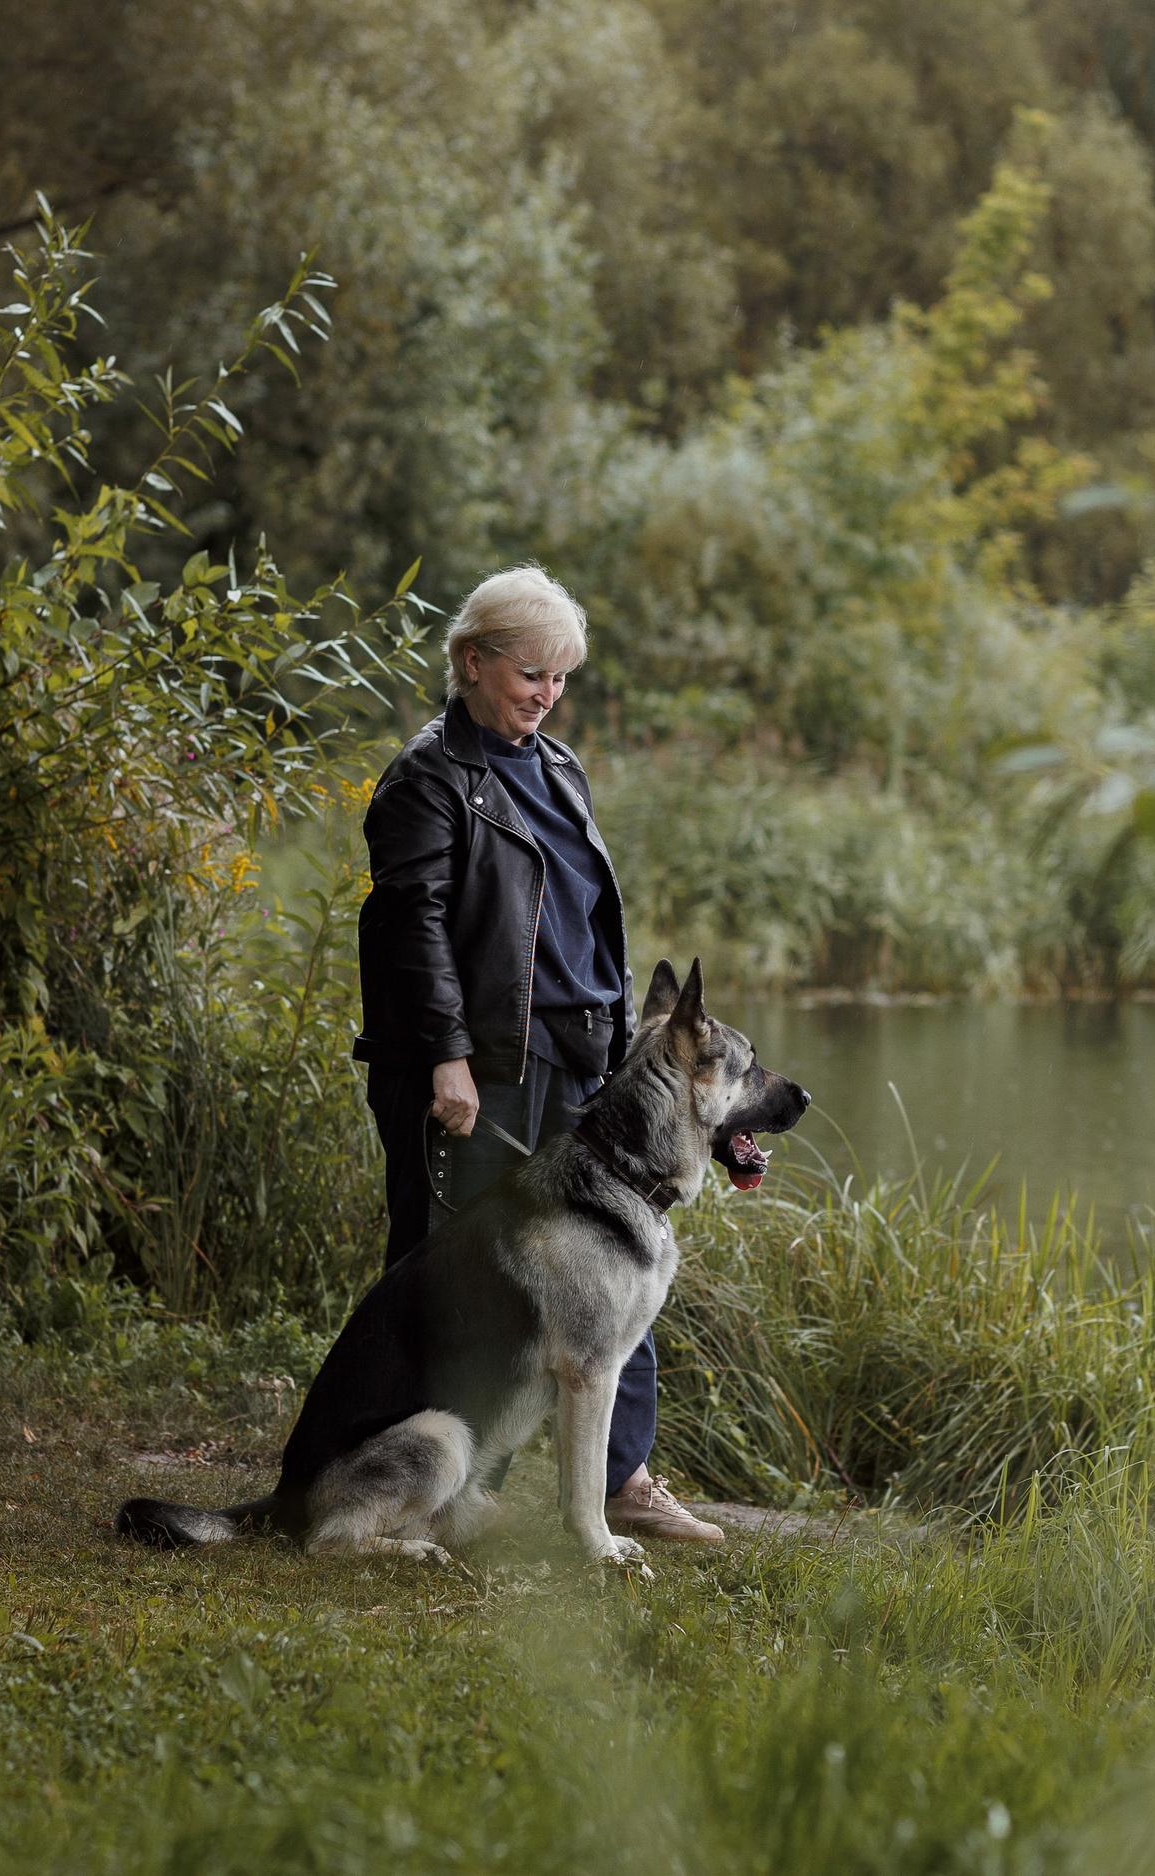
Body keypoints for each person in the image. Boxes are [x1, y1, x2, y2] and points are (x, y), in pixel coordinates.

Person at [350, 564, 722, 1545]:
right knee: (461, 1281)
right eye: (531, 673)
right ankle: (429, 1489)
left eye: (561, 677)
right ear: (473, 662)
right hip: (483, 1070)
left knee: (619, 1253)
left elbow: (587, 914)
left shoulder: (558, 766)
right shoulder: (424, 780)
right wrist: (445, 1055)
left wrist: (625, 1045)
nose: (547, 693)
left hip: (586, 1056)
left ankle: (619, 1476)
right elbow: (413, 928)